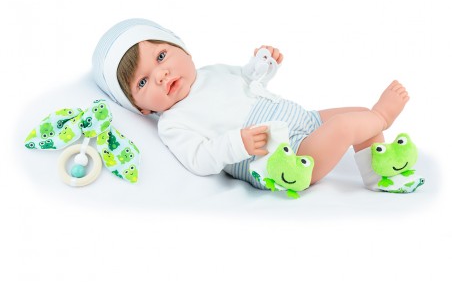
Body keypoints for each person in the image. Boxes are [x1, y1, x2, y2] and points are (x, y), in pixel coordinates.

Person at [92, 18, 423, 193]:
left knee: (357, 116)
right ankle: (383, 115)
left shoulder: (211, 72)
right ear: (142, 110)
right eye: (143, 82)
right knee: (348, 126)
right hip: (285, 156)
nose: (161, 75)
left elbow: (247, 81)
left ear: (184, 50)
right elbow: (199, 159)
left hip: (302, 119)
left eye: (161, 56)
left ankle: (377, 176)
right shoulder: (173, 123)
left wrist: (262, 65)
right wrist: (237, 143)